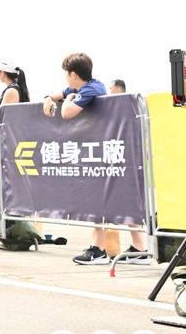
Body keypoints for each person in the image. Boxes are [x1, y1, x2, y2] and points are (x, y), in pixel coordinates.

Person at [43, 53, 148, 265]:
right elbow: (59, 94)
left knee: (107, 197)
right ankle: (138, 249)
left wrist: (68, 100)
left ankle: (100, 250)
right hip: (112, 149)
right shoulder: (84, 86)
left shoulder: (92, 89)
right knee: (118, 197)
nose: (65, 78)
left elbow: (67, 113)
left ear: (73, 75)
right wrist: (48, 98)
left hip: (115, 149)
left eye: (66, 74)